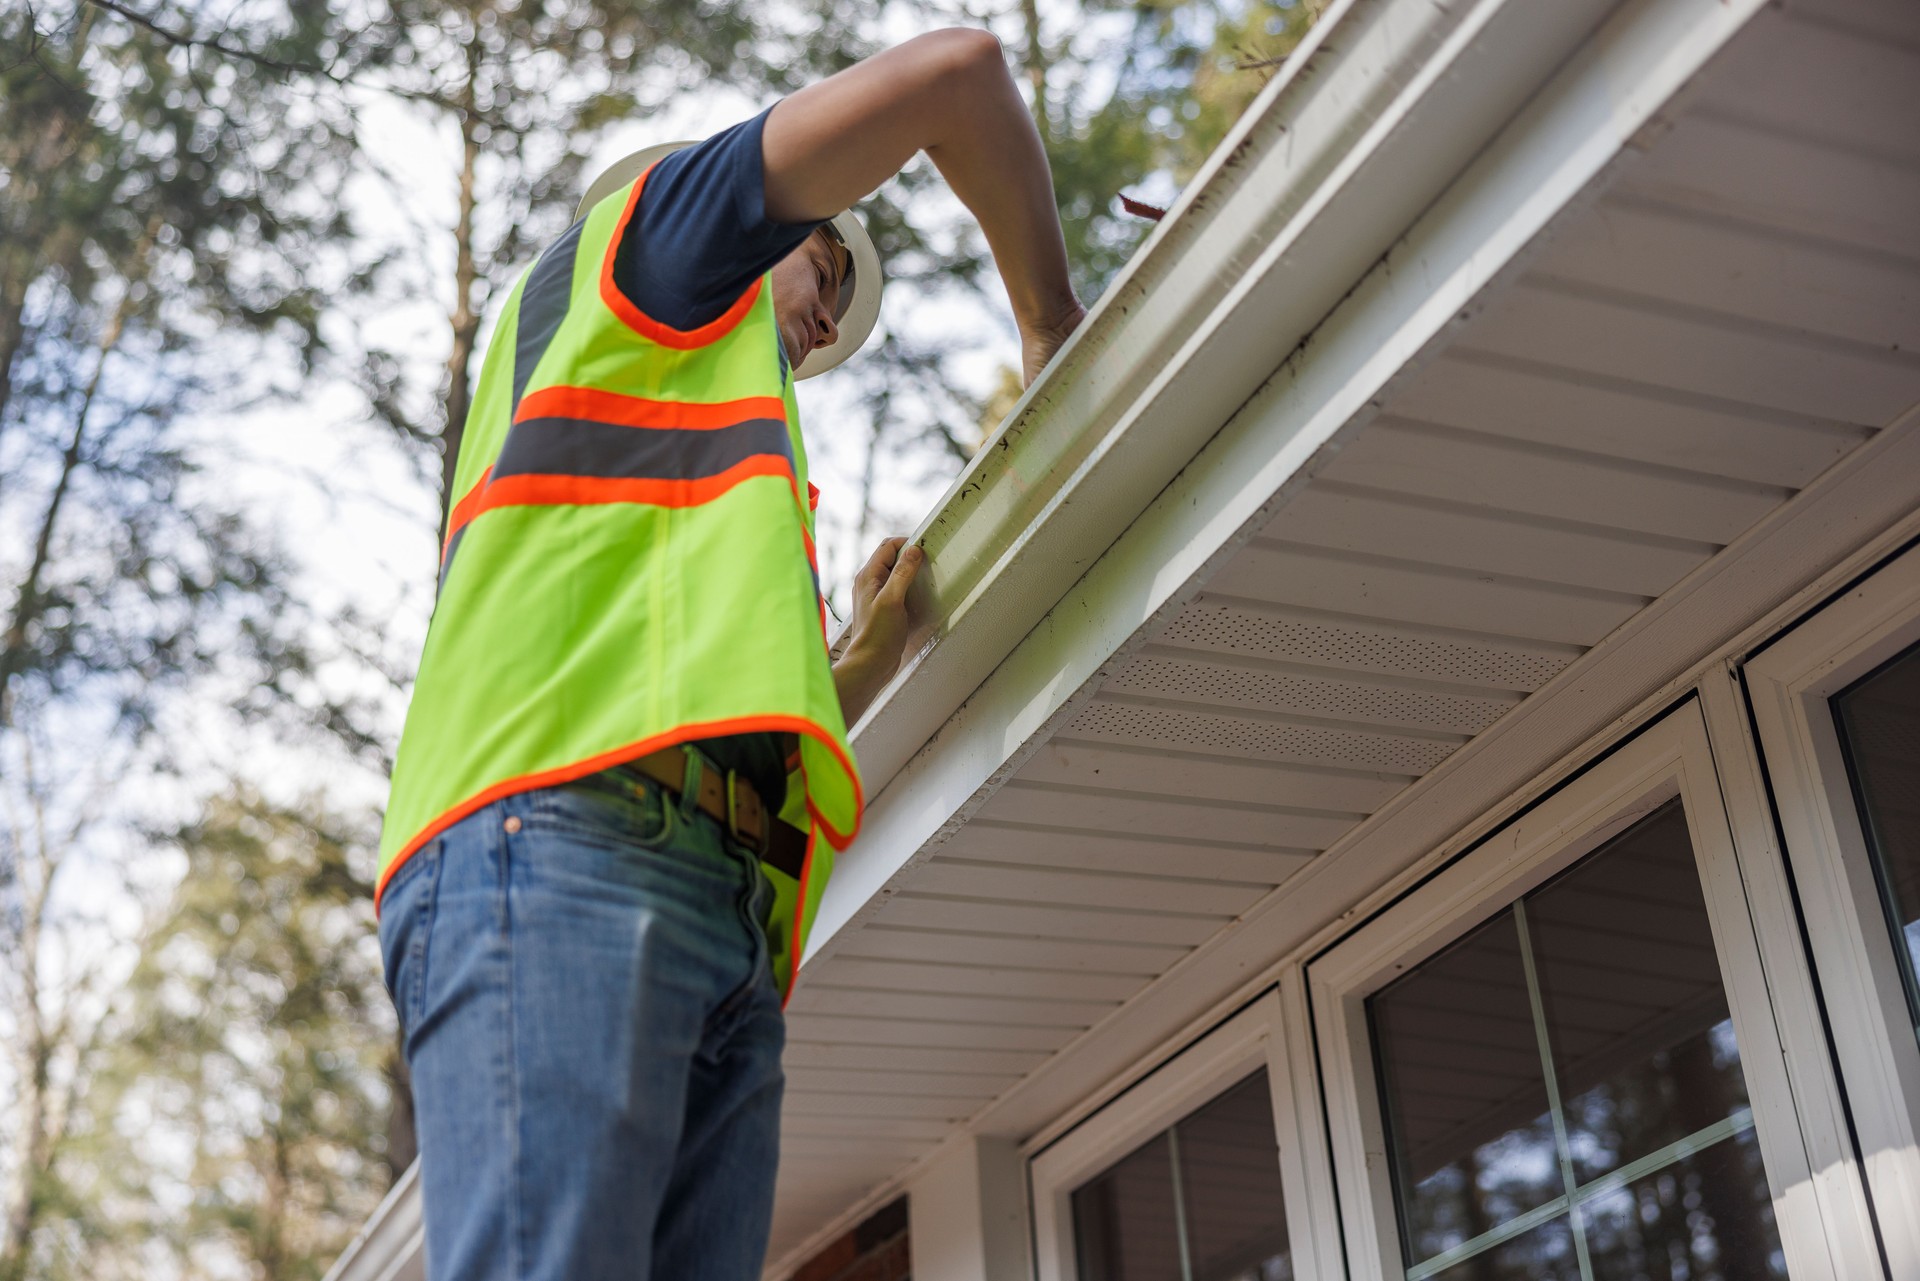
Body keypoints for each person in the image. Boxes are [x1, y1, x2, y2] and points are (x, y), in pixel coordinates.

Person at [374, 28, 1084, 1281]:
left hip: (708, 903)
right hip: (564, 844)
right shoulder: (660, 236)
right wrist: (1050, 330)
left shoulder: (694, 440)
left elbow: (701, 706)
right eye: (821, 265)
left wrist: (860, 662)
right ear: (752, 218)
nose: (825, 317)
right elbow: (961, 74)